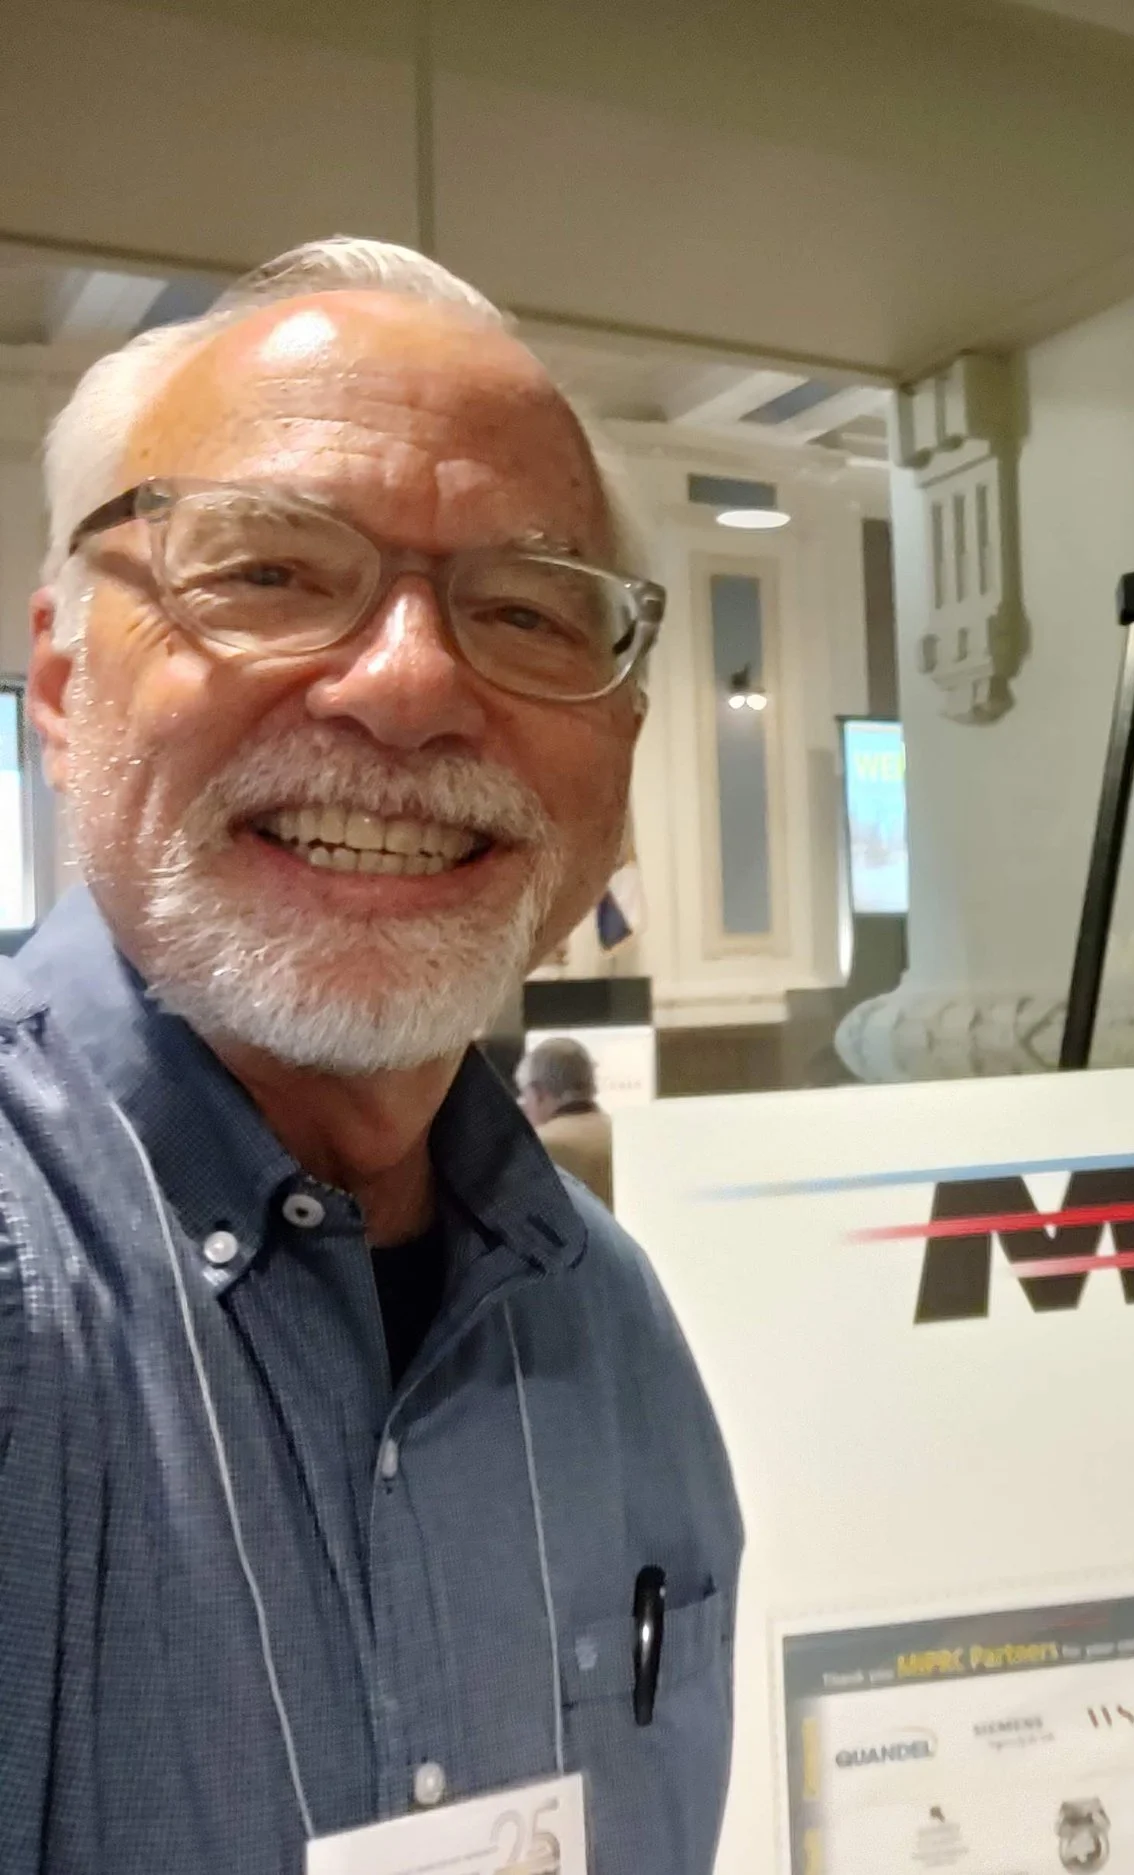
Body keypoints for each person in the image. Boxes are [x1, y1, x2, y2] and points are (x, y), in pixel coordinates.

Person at [0, 239, 741, 1872]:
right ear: (61, 681)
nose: (409, 687)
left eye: (532, 610)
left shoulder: (605, 1321)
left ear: (616, 747)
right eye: (266, 573)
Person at [519, 1035, 615, 1208]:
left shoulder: (536, 1148)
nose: (525, 1107)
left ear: (538, 1093)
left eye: (525, 1097)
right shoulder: (624, 1136)